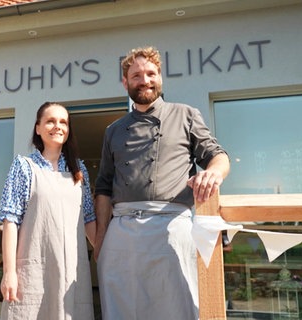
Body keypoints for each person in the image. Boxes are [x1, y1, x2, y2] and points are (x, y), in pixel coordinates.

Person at [94, 46, 230, 320]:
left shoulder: (185, 115)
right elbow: (104, 187)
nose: (144, 80)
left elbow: (218, 156)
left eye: (150, 74)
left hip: (171, 227)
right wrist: (100, 240)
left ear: (160, 77)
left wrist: (214, 173)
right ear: (125, 82)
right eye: (136, 76)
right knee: (121, 308)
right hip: (121, 233)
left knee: (177, 307)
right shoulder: (114, 130)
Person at [0, 101, 96, 320]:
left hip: (72, 272)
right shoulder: (23, 166)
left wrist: (108, 255)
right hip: (33, 273)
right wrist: (9, 272)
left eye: (63, 122)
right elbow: (10, 221)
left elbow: (89, 220)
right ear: (38, 128)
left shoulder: (79, 170)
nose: (57, 126)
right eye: (50, 121)